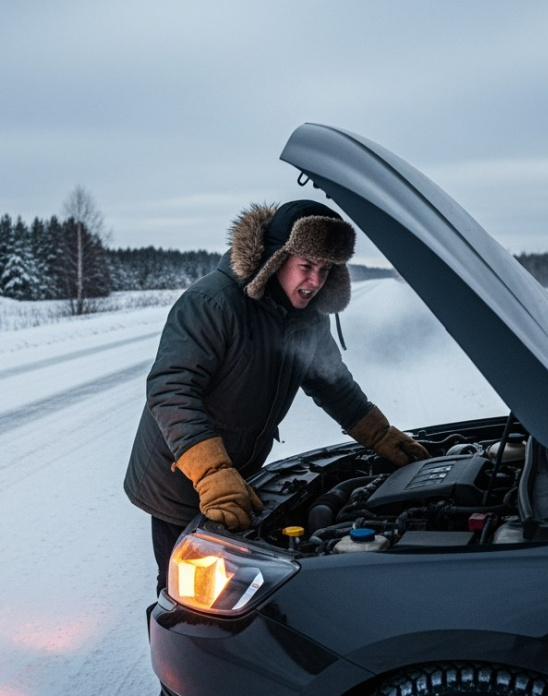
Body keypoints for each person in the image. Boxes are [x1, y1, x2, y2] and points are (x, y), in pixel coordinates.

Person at [123, 199, 429, 594]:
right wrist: (213, 473)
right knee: (185, 592)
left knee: (232, 587)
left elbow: (330, 382)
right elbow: (171, 388)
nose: (315, 281)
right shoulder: (214, 303)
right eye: (306, 266)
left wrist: (380, 434)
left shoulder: (306, 317)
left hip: (239, 472)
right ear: (275, 259)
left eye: (325, 270)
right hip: (182, 476)